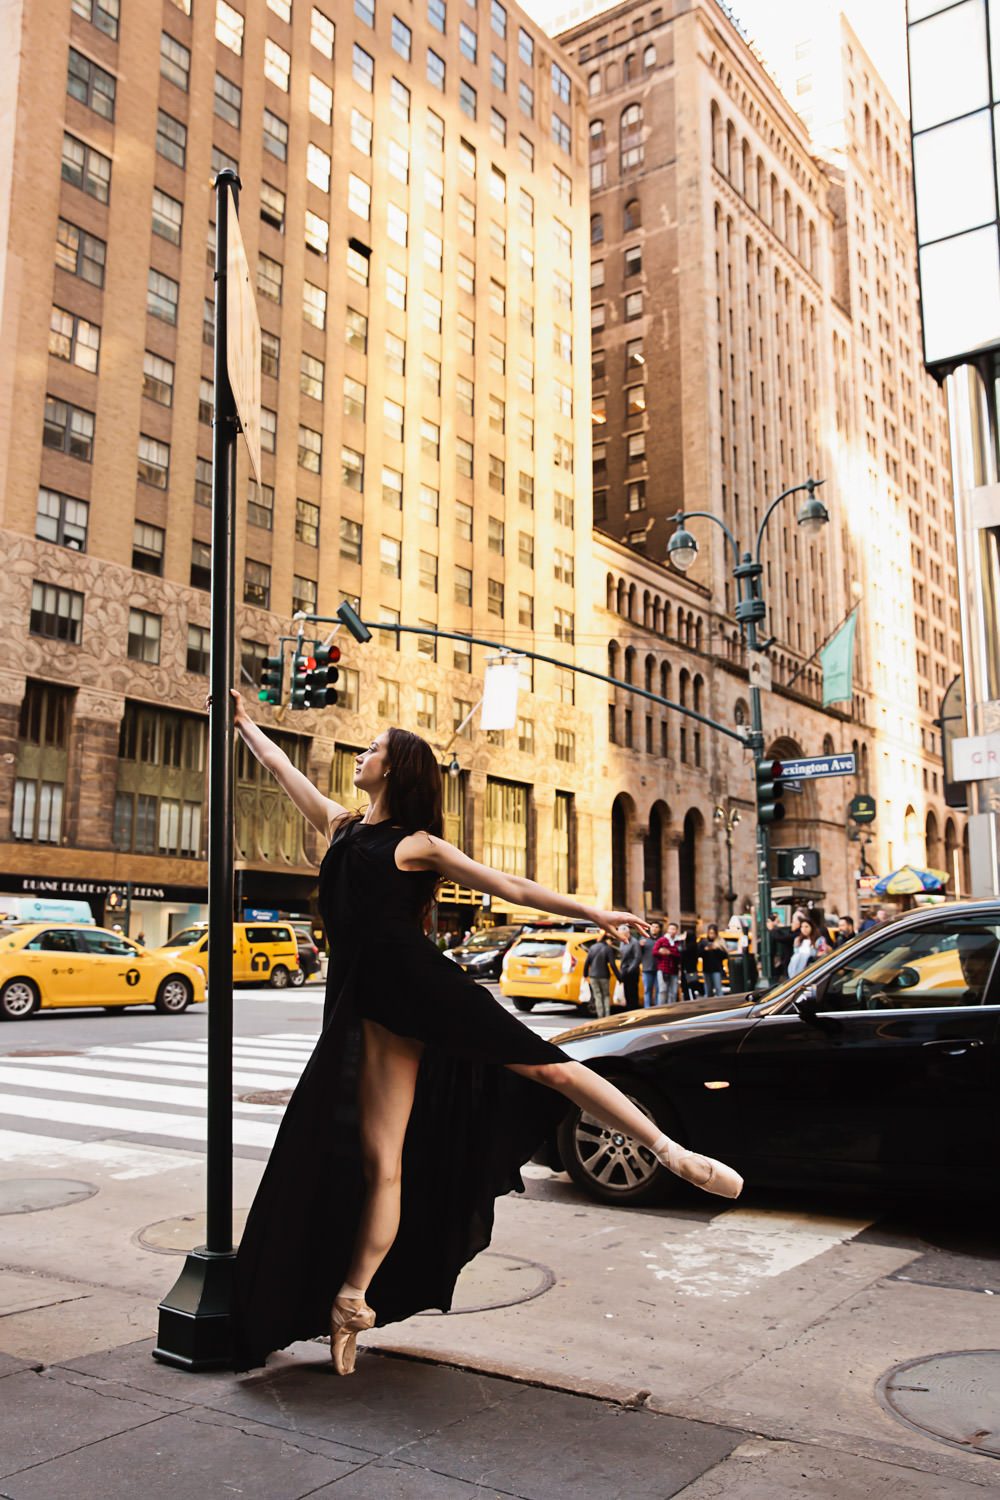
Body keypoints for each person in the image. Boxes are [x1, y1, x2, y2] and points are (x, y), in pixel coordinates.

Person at [227, 699, 743, 1375]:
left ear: (396, 768)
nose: (360, 755)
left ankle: (669, 1152)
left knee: (548, 1066)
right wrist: (240, 720)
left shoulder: (417, 845)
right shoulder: (341, 827)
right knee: (384, 1166)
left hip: (421, 988)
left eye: (372, 748)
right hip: (366, 1010)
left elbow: (510, 885)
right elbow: (276, 764)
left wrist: (590, 910)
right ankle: (351, 1305)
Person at [582, 933, 620, 1018]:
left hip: (593, 976)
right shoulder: (608, 948)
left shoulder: (592, 947)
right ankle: (606, 1015)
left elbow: (587, 962)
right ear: (607, 940)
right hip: (604, 975)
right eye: (611, 941)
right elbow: (612, 964)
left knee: (597, 995)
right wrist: (619, 977)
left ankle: (600, 1016)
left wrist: (585, 975)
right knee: (606, 995)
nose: (612, 943)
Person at [652, 921, 682, 1004]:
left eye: (674, 929)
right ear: (668, 930)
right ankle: (661, 1009)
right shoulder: (662, 940)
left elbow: (679, 954)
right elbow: (654, 952)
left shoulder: (679, 941)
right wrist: (661, 952)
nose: (672, 931)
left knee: (673, 992)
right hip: (663, 969)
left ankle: (672, 1010)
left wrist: (669, 952)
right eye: (670, 929)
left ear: (676, 931)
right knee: (662, 991)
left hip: (674, 970)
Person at [616, 923, 642, 1009]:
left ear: (627, 933)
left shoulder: (634, 942)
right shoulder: (622, 942)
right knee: (627, 993)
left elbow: (637, 957)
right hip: (625, 971)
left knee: (633, 994)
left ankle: (633, 1010)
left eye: (622, 934)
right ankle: (629, 1010)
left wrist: (629, 970)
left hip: (632, 972)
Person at [698, 925, 727, 998]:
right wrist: (706, 949)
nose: (711, 935)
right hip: (706, 969)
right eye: (710, 933)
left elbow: (725, 955)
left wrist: (716, 949)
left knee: (718, 989)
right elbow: (698, 953)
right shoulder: (703, 942)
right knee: (708, 990)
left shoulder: (720, 942)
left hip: (716, 969)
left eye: (713, 933)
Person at [638, 919, 662, 1006]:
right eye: (652, 927)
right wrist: (639, 946)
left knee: (659, 990)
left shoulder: (662, 940)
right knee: (647, 990)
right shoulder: (644, 939)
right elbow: (638, 954)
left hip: (659, 969)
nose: (654, 929)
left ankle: (658, 1009)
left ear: (659, 929)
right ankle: (647, 1008)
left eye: (656, 927)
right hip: (647, 969)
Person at [680, 928, 701, 1001]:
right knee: (692, 987)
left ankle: (689, 1000)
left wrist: (681, 941)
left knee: (688, 987)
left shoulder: (689, 947)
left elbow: (682, 954)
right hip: (692, 969)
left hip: (687, 970)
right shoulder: (695, 945)